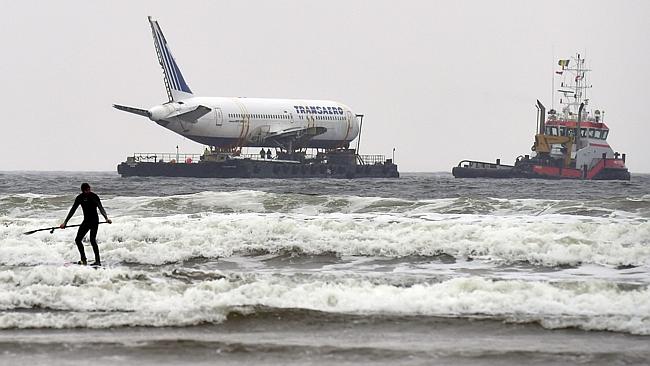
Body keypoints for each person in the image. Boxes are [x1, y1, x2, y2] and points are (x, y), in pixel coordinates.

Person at [60, 183, 112, 266]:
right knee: (78, 240)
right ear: (83, 190)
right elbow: (73, 210)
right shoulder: (79, 198)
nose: (89, 191)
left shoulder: (94, 196)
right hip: (86, 221)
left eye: (89, 189)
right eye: (87, 190)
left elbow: (100, 207)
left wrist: (106, 218)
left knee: (92, 239)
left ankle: (98, 261)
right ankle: (83, 260)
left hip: (94, 220)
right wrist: (65, 222)